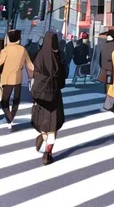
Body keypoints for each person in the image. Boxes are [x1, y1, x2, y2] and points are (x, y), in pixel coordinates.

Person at [30, 32, 66, 166]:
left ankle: (42, 136)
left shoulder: (39, 56)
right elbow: (62, 81)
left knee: (42, 121)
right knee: (53, 125)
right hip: (54, 96)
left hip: (40, 96)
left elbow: (34, 74)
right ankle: (47, 153)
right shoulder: (58, 58)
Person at [0, 30, 34, 131]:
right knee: (16, 101)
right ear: (19, 39)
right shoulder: (22, 50)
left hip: (7, 78)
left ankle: (9, 118)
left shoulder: (5, 50)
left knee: (4, 101)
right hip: (18, 78)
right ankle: (11, 118)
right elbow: (29, 64)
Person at [97, 28, 114, 113]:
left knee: (108, 88)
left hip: (104, 70)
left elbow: (100, 58)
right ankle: (110, 106)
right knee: (112, 88)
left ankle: (109, 105)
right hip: (112, 70)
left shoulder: (104, 45)